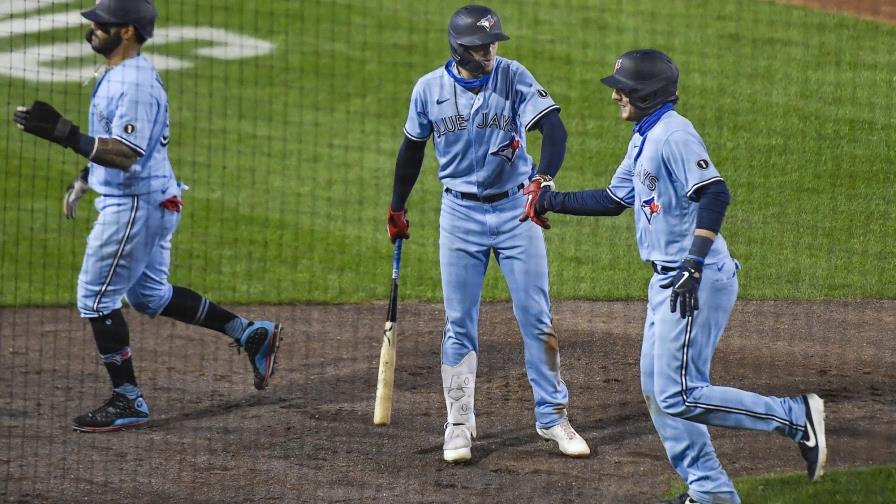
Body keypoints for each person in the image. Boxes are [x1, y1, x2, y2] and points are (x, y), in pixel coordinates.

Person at [534, 49, 826, 503]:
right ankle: (710, 492)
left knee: (680, 392)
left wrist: (692, 263)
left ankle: (794, 417)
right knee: (657, 389)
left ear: (647, 93)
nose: (615, 95)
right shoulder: (644, 136)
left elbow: (715, 193)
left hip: (697, 278)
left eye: (623, 88)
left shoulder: (674, 135)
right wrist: (549, 201)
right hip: (669, 280)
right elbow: (615, 199)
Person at [12, 0, 282, 432]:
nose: (93, 28)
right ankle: (249, 332)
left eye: (104, 23)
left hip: (135, 204)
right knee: (149, 297)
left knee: (95, 298)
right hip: (153, 197)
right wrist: (86, 174)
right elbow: (126, 143)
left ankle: (128, 399)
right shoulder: (120, 74)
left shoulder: (133, 82)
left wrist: (65, 134)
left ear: (129, 32)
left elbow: (127, 153)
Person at [387, 4, 589, 463]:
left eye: (493, 42)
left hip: (517, 211)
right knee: (459, 323)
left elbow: (554, 130)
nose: (490, 51)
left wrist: (545, 178)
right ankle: (458, 421)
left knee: (538, 318)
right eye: (481, 46)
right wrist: (397, 207)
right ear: (459, 48)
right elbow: (410, 153)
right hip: (459, 216)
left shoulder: (514, 76)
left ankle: (552, 417)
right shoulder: (429, 89)